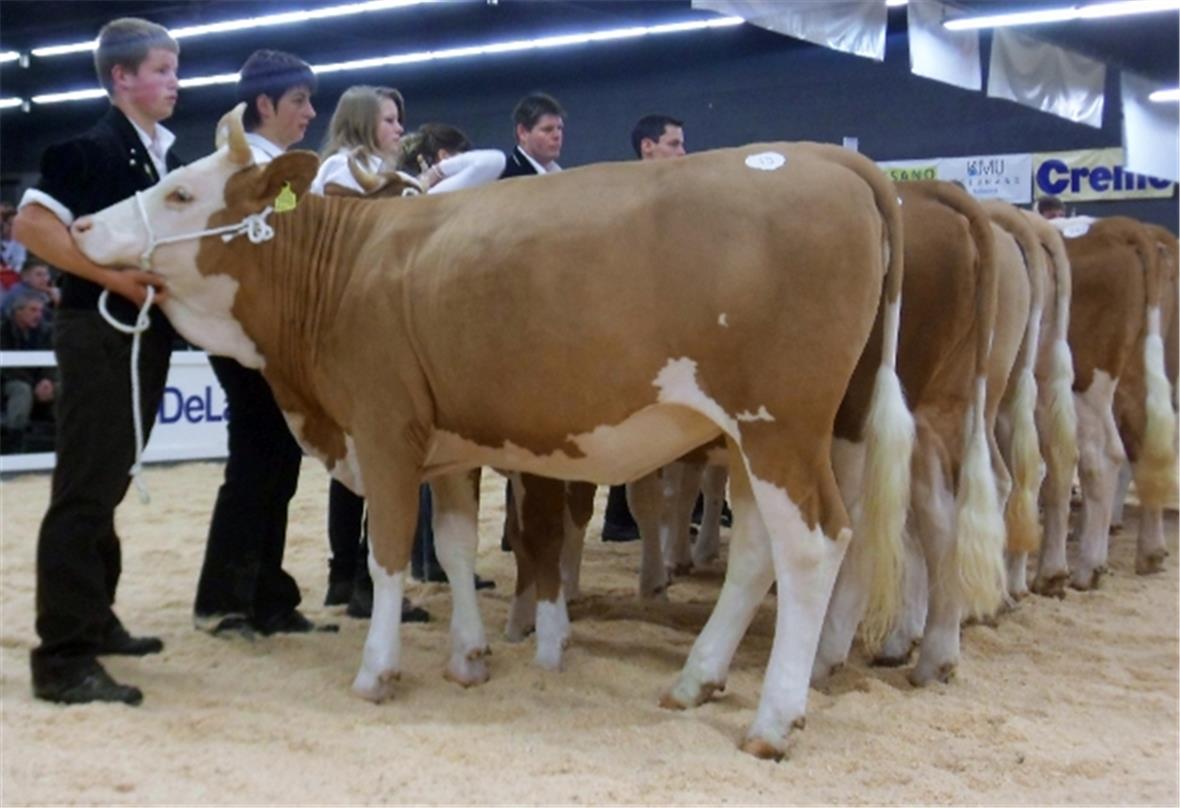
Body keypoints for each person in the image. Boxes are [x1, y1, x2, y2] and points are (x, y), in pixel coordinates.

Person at [13, 17, 180, 705]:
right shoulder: (85, 148)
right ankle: (62, 657)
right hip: (95, 328)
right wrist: (114, 281)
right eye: (164, 69)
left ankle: (96, 616)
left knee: (109, 478)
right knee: (84, 487)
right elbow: (31, 225)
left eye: (174, 69)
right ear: (122, 78)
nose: (175, 82)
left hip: (137, 333)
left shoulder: (153, 154)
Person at [312, 88, 502, 613]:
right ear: (361, 124)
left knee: (368, 459)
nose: (400, 128)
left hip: (372, 323)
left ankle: (348, 578)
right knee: (377, 457)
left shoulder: (393, 178)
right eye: (390, 120)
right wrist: (414, 185)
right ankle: (358, 580)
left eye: (399, 118)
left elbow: (491, 161)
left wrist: (426, 178)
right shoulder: (340, 172)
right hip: (360, 325)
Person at [192, 49, 333, 637]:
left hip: (278, 333)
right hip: (243, 331)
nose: (309, 111)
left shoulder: (288, 166)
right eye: (299, 100)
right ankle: (222, 601)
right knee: (254, 461)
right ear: (265, 105)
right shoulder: (236, 165)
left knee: (278, 462)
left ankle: (268, 597)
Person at [0, 292, 57, 453]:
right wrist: (34, 385)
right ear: (18, 311)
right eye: (33, 310)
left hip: (39, 381)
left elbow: (52, 361)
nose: (38, 315)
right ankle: (14, 441)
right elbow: (7, 368)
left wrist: (47, 380)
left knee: (62, 387)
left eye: (40, 311)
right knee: (21, 390)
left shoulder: (47, 331)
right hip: (8, 381)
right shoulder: (3, 331)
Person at [499, 92, 565, 178]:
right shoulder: (506, 176)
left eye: (559, 128)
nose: (557, 136)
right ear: (522, 132)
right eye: (547, 129)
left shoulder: (559, 172)